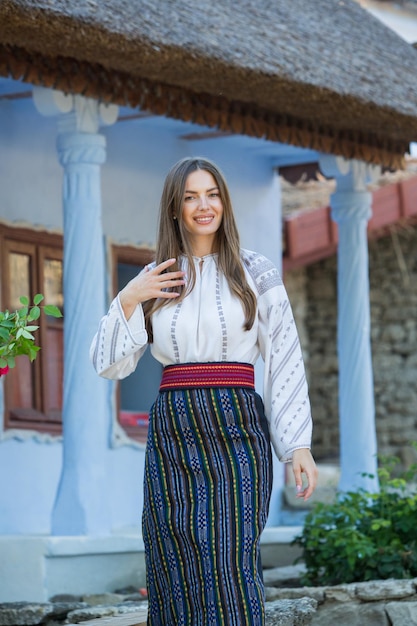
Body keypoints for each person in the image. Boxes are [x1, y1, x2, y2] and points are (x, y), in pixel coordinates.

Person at [90, 156, 318, 626]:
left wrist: (297, 443)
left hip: (237, 425)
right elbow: (110, 365)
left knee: (231, 558)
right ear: (175, 207)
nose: (203, 205)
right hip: (174, 427)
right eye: (191, 196)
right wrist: (130, 297)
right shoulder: (156, 277)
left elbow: (284, 358)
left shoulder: (256, 272)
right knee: (174, 554)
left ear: (225, 202)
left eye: (212, 194)